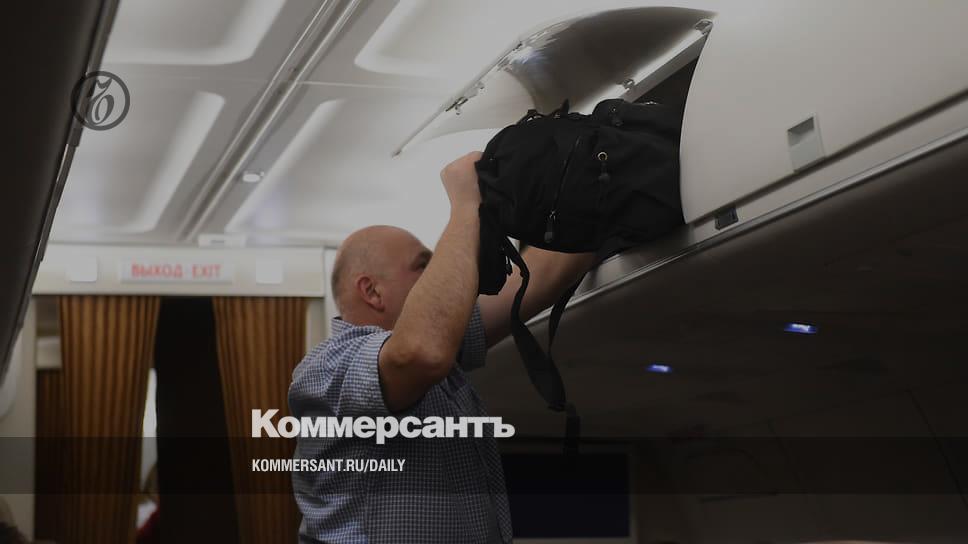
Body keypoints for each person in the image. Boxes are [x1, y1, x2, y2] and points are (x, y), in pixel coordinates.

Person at [288, 151, 597, 543]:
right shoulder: (328, 367)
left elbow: (539, 278)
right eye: (423, 266)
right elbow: (422, 352)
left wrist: (598, 197)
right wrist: (466, 204)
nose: (438, 276)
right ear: (372, 291)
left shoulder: (436, 348)